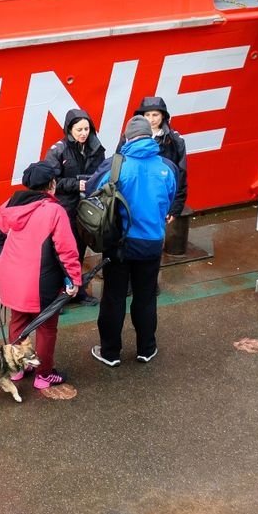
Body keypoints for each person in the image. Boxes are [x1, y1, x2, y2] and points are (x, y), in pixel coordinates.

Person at [87, 116, 179, 368]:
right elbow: (170, 199)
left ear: (127, 138)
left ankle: (110, 352)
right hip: (151, 244)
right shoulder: (167, 167)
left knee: (114, 298)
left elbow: (91, 192)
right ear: (150, 136)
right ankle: (146, 349)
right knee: (146, 296)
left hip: (119, 244)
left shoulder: (115, 166)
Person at [0, 162, 82, 400]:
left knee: (17, 321)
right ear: (51, 185)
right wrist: (74, 278)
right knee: (46, 327)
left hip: (10, 277)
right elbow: (66, 250)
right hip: (42, 281)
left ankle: (17, 369)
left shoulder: (7, 207)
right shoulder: (54, 211)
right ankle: (43, 373)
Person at [45, 108, 106, 302]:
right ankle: (59, 294)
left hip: (87, 208)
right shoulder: (58, 150)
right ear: (69, 129)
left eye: (86, 129)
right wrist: (77, 184)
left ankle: (77, 291)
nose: (83, 133)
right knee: (61, 252)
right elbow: (52, 181)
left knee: (79, 249)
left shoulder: (96, 148)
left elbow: (102, 173)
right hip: (66, 209)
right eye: (79, 129)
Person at [134, 95, 187, 219]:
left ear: (163, 115)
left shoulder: (175, 140)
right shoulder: (129, 137)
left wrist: (175, 208)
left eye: (155, 115)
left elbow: (181, 174)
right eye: (147, 115)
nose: (151, 119)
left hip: (162, 200)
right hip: (136, 199)